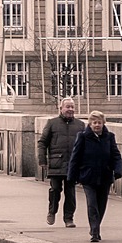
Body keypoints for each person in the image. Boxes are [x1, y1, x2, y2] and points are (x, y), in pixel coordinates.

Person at [68, 110, 122, 243]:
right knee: (92, 204)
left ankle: (96, 226)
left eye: (99, 122)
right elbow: (75, 158)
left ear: (103, 123)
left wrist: (118, 170)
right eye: (94, 123)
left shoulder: (109, 137)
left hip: (105, 176)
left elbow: (115, 155)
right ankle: (94, 231)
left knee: (101, 204)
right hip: (88, 176)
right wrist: (72, 176)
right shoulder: (82, 137)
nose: (97, 125)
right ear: (90, 124)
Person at [37, 97, 84, 227]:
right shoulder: (52, 123)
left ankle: (69, 219)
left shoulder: (80, 125)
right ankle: (52, 211)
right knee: (55, 189)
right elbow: (42, 143)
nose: (70, 109)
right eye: (67, 107)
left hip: (73, 164)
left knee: (70, 193)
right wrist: (42, 160)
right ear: (61, 108)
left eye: (72, 107)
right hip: (56, 162)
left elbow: (85, 146)